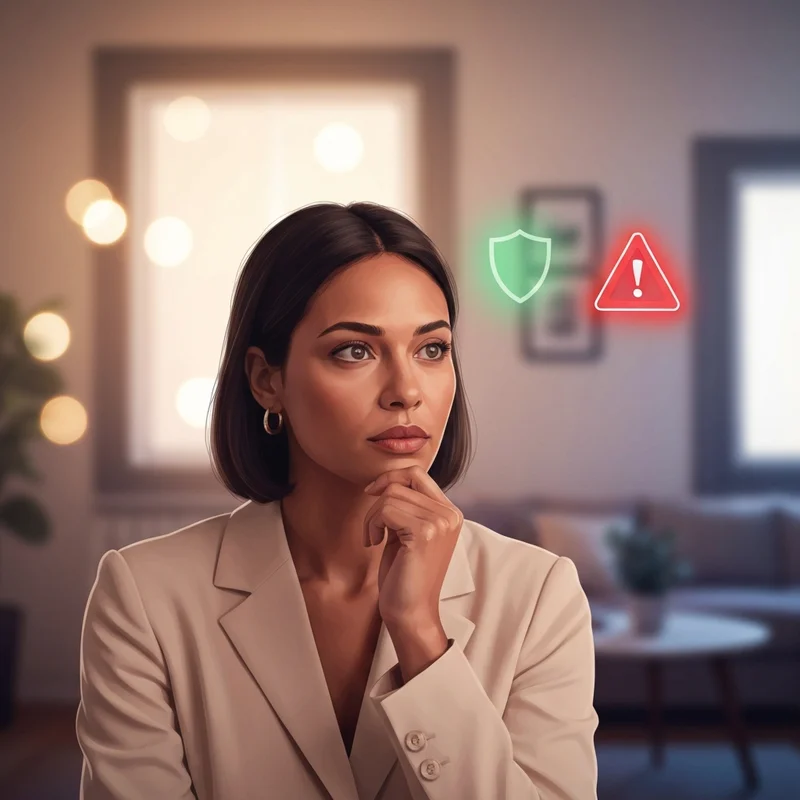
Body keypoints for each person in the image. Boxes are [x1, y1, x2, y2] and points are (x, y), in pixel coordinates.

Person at [75, 201, 599, 799]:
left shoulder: (539, 595)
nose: (406, 391)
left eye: (431, 349)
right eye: (354, 350)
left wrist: (422, 637)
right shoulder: (144, 597)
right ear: (266, 379)